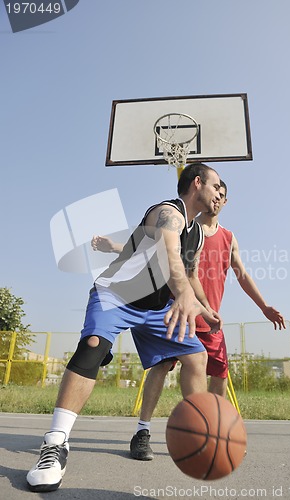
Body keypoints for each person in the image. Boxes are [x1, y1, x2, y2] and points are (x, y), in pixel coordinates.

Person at [26, 163, 224, 492]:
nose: (220, 193)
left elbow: (185, 273)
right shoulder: (168, 213)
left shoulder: (198, 232)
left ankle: (196, 434)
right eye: (216, 185)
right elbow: (170, 256)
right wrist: (186, 296)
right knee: (92, 346)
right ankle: (55, 445)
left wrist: (203, 308)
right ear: (197, 183)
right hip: (117, 295)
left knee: (196, 357)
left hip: (157, 308)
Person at [92, 179, 286, 461]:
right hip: (177, 309)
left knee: (218, 376)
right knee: (161, 367)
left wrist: (263, 306)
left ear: (225, 202)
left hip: (209, 316)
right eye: (214, 191)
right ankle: (143, 432)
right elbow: (155, 247)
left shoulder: (228, 238)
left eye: (222, 195)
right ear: (201, 190)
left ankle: (212, 431)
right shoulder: (183, 224)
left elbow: (242, 274)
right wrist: (114, 247)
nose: (217, 197)